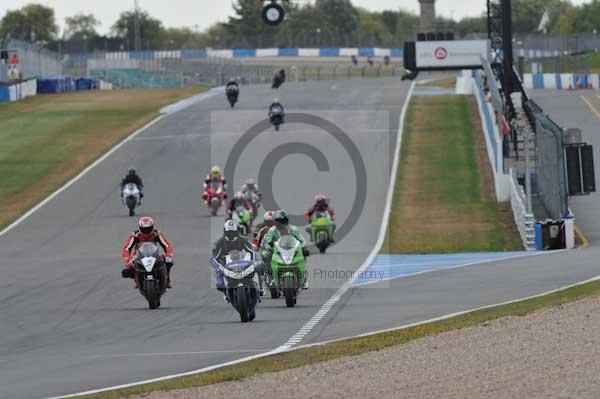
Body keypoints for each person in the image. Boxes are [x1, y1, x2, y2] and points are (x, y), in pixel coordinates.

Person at [210, 220, 260, 298]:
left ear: (237, 231)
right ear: (225, 231)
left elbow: (252, 251)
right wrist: (218, 266)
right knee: (219, 281)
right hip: (225, 263)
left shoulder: (243, 239)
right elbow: (213, 257)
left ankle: (261, 287)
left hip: (241, 261)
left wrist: (256, 261)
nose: (231, 234)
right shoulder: (218, 242)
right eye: (229, 232)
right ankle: (225, 292)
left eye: (233, 232)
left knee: (260, 265)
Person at [121, 216, 174, 289]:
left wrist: (169, 255)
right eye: (144, 229)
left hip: (154, 255)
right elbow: (126, 248)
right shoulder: (135, 235)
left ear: (152, 227)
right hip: (138, 256)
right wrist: (128, 259)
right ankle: (137, 280)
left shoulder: (156, 234)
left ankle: (167, 280)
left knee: (168, 262)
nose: (146, 231)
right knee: (126, 271)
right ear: (140, 228)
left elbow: (167, 245)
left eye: (148, 229)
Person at [262, 210, 309, 289]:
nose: (280, 223)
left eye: (282, 221)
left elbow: (302, 240)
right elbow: (267, 242)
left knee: (304, 253)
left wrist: (304, 247)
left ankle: (303, 276)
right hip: (277, 251)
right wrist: (269, 248)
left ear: (287, 221)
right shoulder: (272, 231)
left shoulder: (293, 229)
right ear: (275, 221)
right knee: (265, 255)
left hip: (292, 250)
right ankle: (272, 276)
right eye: (278, 221)